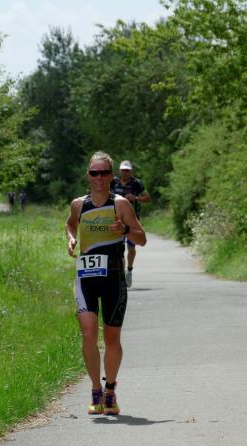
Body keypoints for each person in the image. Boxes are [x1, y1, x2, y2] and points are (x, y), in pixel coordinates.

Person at [66, 151, 146, 415]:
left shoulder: (120, 204)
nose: (98, 178)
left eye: (103, 173)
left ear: (111, 176)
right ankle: (95, 390)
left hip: (113, 276)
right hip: (86, 277)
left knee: (112, 337)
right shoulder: (79, 204)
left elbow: (142, 238)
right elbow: (70, 225)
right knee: (88, 334)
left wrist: (125, 230)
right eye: (94, 173)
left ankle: (110, 389)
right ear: (88, 175)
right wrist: (71, 239)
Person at [111, 160, 150, 287]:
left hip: (132, 220)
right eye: (123, 170)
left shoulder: (136, 183)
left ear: (131, 171)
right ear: (119, 170)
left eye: (127, 170)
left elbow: (147, 198)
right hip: (116, 220)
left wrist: (135, 198)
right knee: (119, 248)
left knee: (131, 248)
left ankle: (129, 270)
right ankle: (121, 275)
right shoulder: (113, 182)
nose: (125, 172)